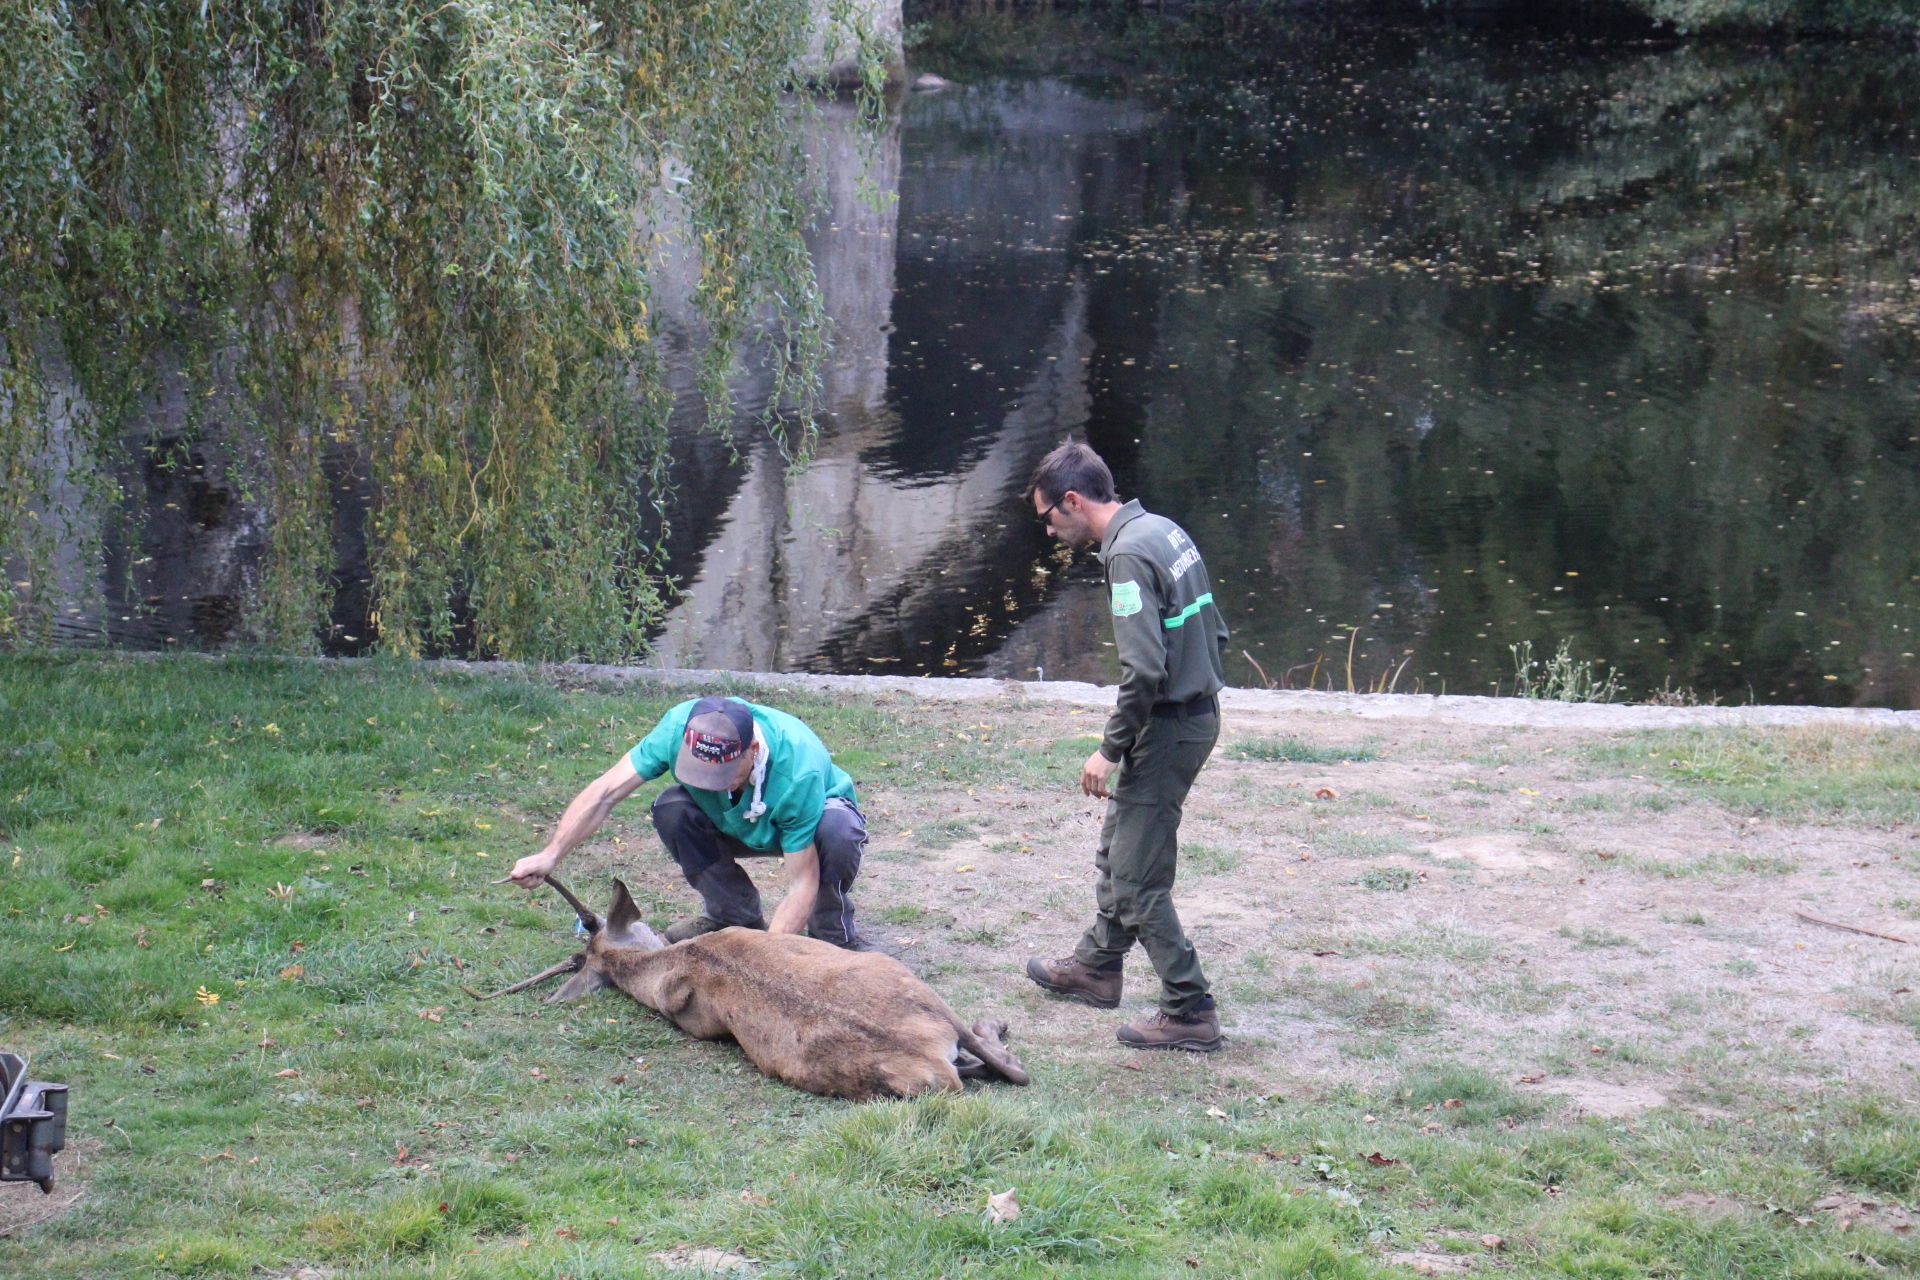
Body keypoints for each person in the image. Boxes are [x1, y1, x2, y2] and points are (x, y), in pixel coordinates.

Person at [1022, 442, 1229, 1051]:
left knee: (1138, 879)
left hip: (1168, 728)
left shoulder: (1128, 557)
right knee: (1120, 849)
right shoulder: (1162, 530)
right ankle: (1096, 967)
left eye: (1047, 517)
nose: (1049, 530)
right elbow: (1213, 626)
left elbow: (1142, 671)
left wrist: (1109, 749)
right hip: (1191, 714)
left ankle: (1190, 1008)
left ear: (1072, 500)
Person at [507, 695, 870, 949]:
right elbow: (605, 791)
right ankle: (733, 916)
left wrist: (766, 959)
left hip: (804, 821)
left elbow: (801, 881)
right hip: (732, 820)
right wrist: (550, 855)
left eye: (725, 773)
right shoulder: (679, 727)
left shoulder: (797, 768)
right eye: (702, 772)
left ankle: (831, 934)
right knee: (672, 807)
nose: (712, 781)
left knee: (836, 830)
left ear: (753, 751)